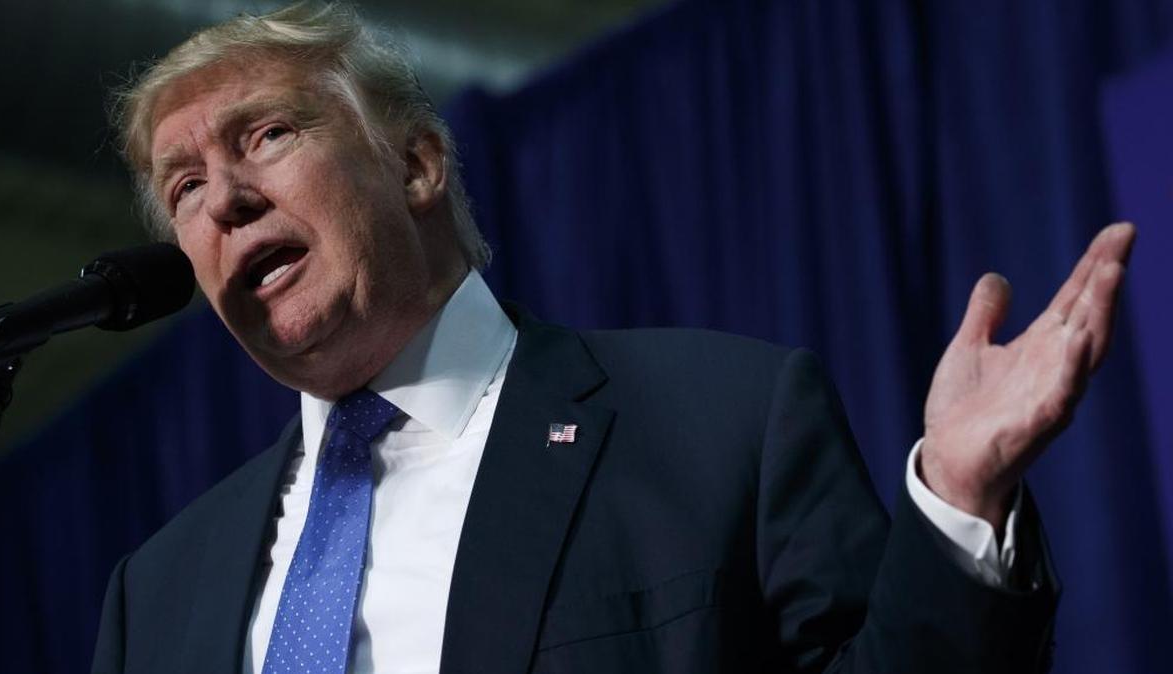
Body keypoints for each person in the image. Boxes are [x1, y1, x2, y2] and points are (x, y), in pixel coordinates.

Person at [91, 3, 1135, 673]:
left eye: (266, 135)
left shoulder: (723, 424)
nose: (223, 197)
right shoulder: (158, 590)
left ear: (417, 164)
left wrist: (956, 500)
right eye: (183, 187)